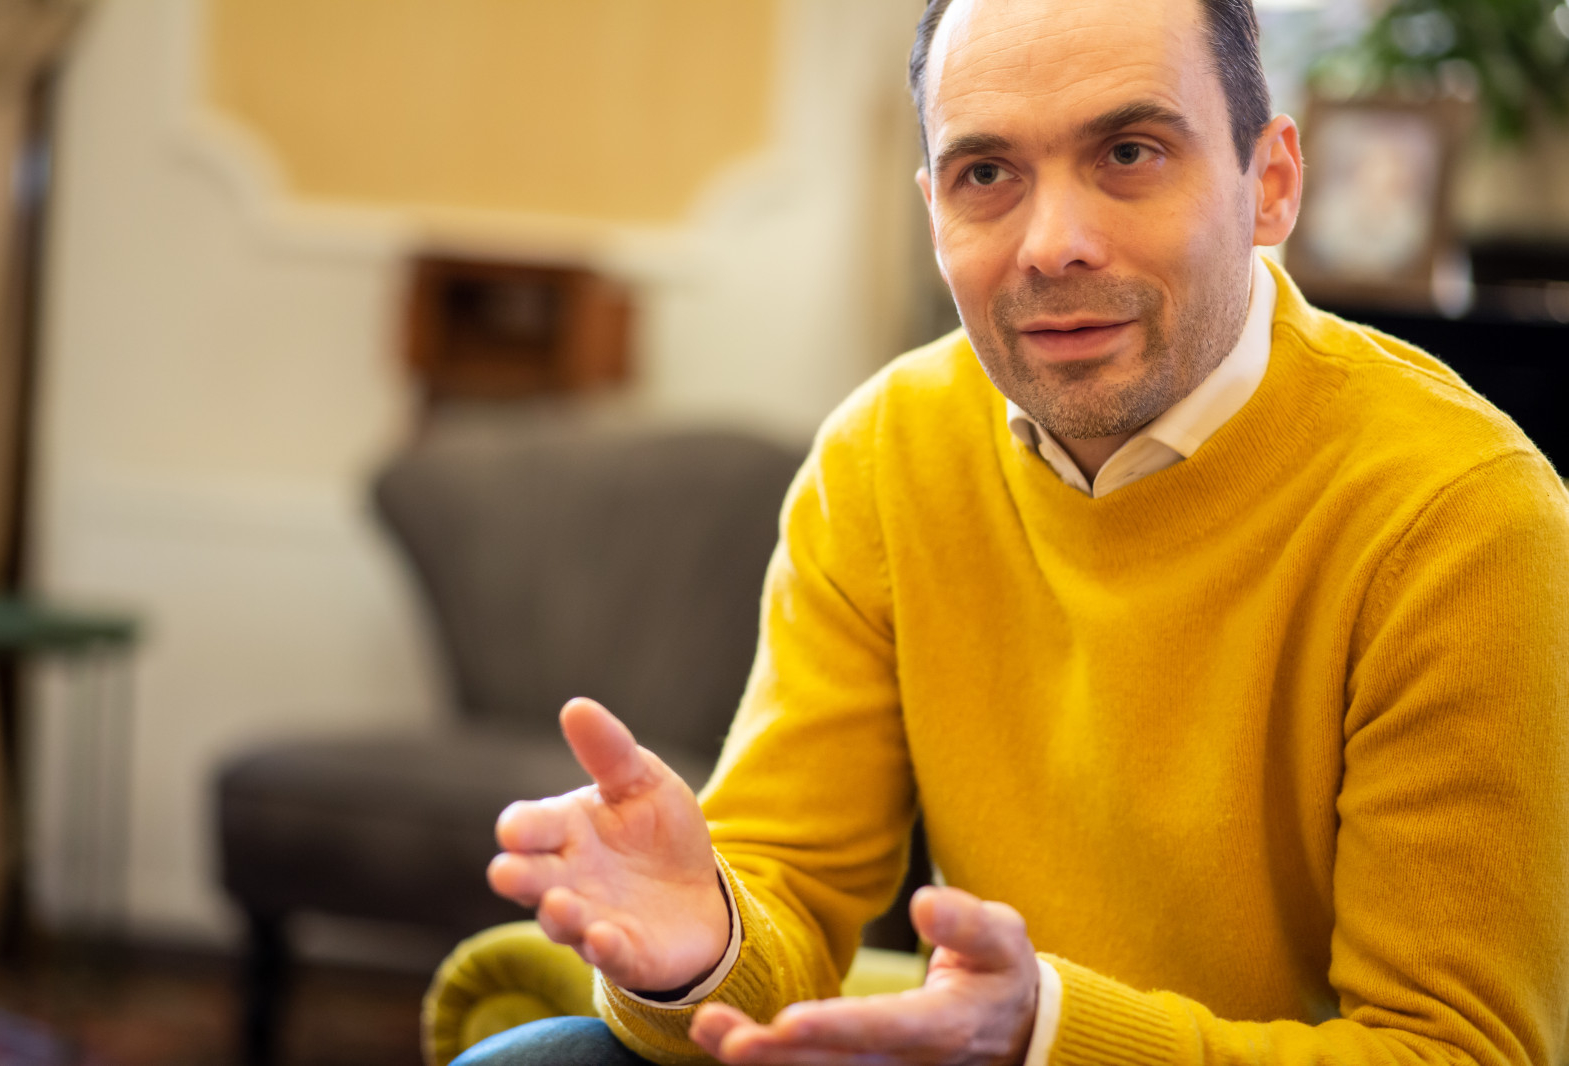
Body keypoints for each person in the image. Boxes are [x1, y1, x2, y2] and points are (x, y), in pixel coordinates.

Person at [465, 0, 1569, 1063]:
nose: (1053, 245)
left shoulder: (1461, 517)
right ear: (934, 210)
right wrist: (700, 949)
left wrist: (1042, 1036)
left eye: (1129, 153)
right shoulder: (884, 454)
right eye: (986, 174)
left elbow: (1456, 1051)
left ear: (1269, 182)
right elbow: (783, 903)